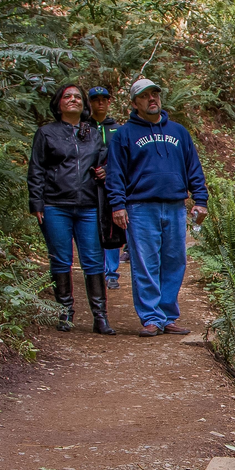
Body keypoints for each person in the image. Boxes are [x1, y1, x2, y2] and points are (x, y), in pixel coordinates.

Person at [105, 78, 208, 337]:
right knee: (146, 263)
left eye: (155, 94)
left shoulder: (178, 132)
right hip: (140, 207)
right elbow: (115, 173)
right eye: (145, 96)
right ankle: (151, 317)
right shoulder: (124, 135)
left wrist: (200, 199)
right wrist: (118, 205)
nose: (152, 99)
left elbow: (193, 167)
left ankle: (168, 315)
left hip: (174, 205)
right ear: (134, 103)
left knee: (174, 261)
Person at [27, 85, 115, 335]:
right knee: (61, 259)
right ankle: (64, 313)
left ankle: (101, 317)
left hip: (88, 205)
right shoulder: (46, 133)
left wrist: (104, 172)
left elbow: (104, 161)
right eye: (68, 96)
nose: (73, 100)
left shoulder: (93, 133)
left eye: (78, 97)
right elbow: (36, 169)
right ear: (58, 104)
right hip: (55, 205)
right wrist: (36, 202)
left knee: (93, 260)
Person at [88, 86, 124, 289]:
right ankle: (96, 270)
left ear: (109, 102)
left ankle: (112, 273)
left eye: (104, 99)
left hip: (112, 187)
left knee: (112, 228)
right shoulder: (83, 127)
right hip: (88, 187)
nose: (100, 103)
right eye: (95, 99)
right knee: (92, 226)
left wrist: (109, 170)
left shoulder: (118, 130)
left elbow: (125, 158)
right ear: (90, 103)